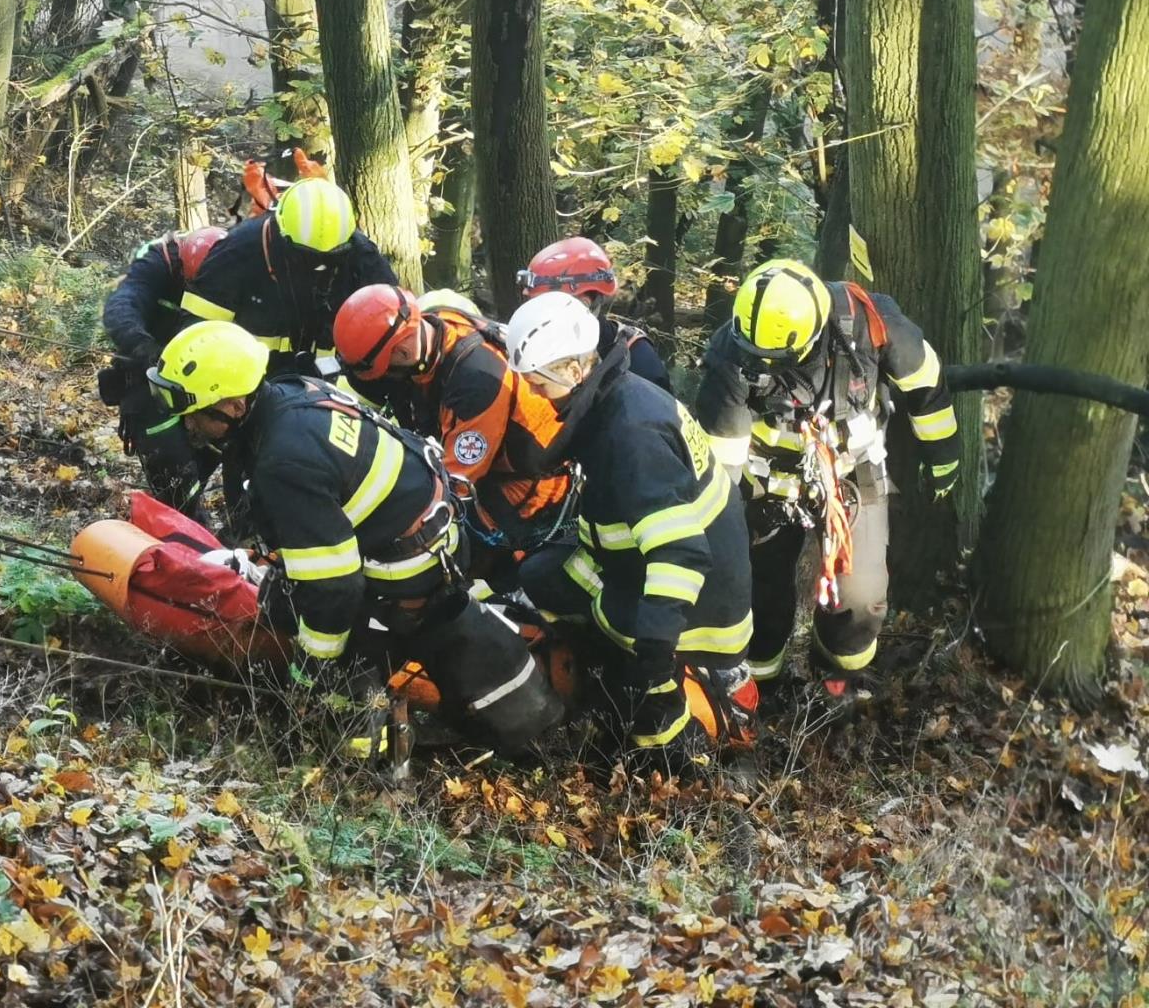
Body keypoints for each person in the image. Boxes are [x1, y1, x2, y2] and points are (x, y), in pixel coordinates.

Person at [146, 319, 565, 752]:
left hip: (406, 573)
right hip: (435, 535)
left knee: (310, 627)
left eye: (195, 413)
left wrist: (309, 670)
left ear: (233, 406)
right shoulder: (294, 393)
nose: (189, 426)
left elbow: (334, 587)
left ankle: (362, 753)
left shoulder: (284, 462)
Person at [693, 258, 958, 702]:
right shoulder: (732, 354)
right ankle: (764, 689)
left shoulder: (875, 326)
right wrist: (722, 534)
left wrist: (943, 459)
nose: (760, 367)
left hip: (853, 474)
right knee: (759, 594)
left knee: (861, 601)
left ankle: (835, 676)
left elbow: (928, 389)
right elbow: (722, 465)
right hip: (768, 484)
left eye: (773, 361)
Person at [506, 291, 753, 767]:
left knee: (634, 694)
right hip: (643, 567)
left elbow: (680, 553)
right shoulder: (615, 400)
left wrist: (654, 653)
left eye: (538, 383)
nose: (534, 395)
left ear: (575, 371)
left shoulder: (630, 434)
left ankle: (674, 751)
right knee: (542, 577)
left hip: (695, 606)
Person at [332, 285, 574, 570]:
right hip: (493, 468)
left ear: (402, 350)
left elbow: (454, 483)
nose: (384, 381)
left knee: (425, 545)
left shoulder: (477, 380)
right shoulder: (433, 326)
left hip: (527, 496)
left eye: (384, 372)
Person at [182, 178, 395, 379]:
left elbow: (393, 325)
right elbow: (195, 331)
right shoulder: (239, 251)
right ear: (280, 233)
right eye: (306, 257)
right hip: (249, 380)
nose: (319, 265)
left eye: (332, 257)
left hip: (334, 383)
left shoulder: (362, 255)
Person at [99, 226, 227, 510]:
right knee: (174, 478)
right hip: (150, 381)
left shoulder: (233, 270)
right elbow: (122, 305)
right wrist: (143, 347)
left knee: (209, 457)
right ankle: (181, 522)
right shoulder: (159, 263)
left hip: (207, 384)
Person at [517, 237, 671, 391]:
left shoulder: (637, 361)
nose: (536, 315)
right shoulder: (540, 346)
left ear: (582, 305)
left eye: (544, 305)